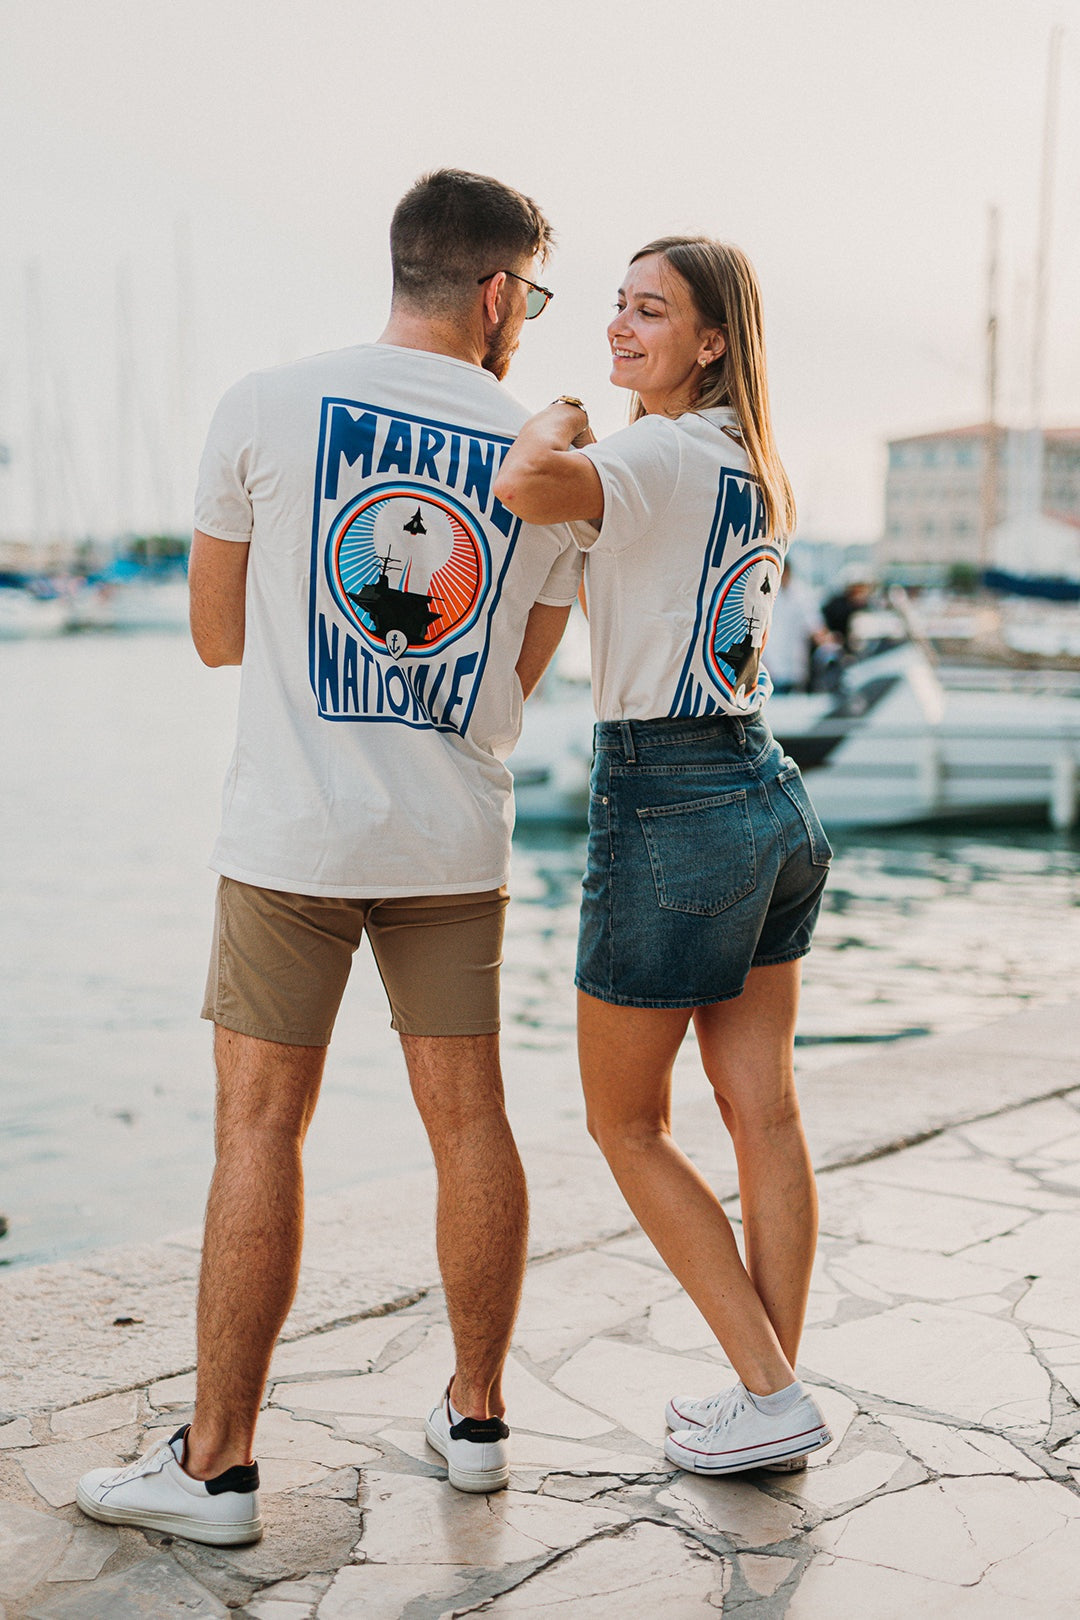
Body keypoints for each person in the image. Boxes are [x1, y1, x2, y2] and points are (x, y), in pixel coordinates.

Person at [76, 169, 583, 1544]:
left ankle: (222, 1464)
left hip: (291, 835)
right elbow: (520, 674)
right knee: (468, 1119)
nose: (528, 318)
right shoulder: (550, 458)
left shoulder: (263, 402)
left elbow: (218, 634)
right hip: (451, 841)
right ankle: (476, 1419)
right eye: (531, 294)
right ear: (494, 293)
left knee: (259, 1130)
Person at [493, 236, 833, 1476]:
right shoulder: (748, 463)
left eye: (652, 313)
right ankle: (769, 1396)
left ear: (711, 343)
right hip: (764, 790)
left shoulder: (654, 448)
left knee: (624, 1123)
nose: (622, 328)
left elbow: (532, 480)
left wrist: (563, 411)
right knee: (766, 1112)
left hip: (669, 800)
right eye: (616, 309)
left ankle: (770, 1393)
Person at [765, 558, 833, 694]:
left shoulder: (802, 595)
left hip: (793, 668)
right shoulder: (765, 592)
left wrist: (830, 645)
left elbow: (815, 627)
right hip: (768, 666)